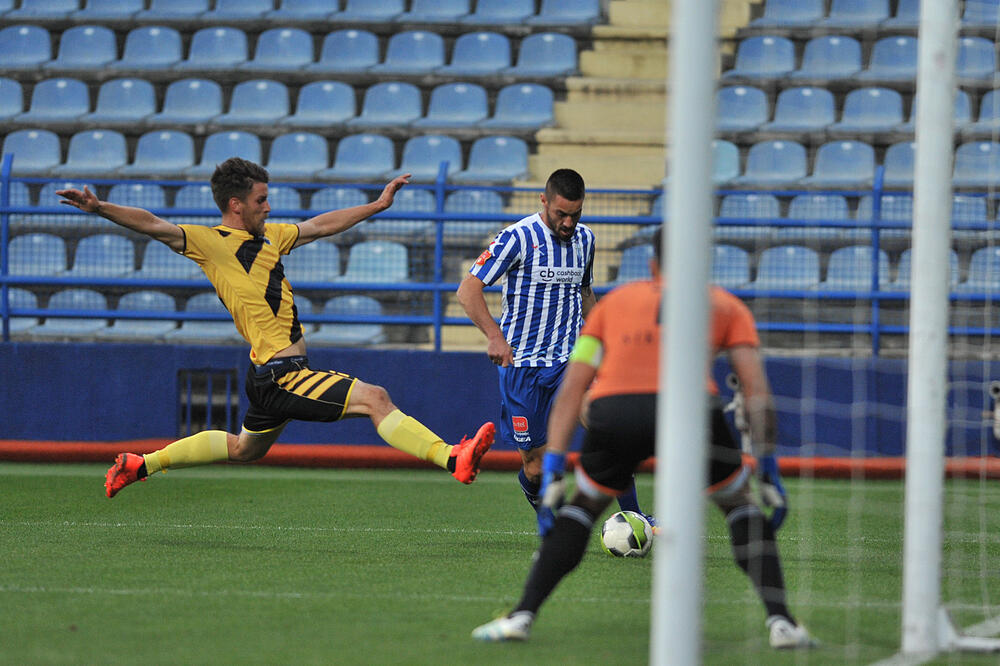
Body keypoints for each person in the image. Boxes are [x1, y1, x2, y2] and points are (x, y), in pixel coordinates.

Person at [56, 158, 494, 498]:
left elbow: (321, 225)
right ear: (236, 204)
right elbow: (154, 225)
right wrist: (100, 208)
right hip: (282, 375)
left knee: (244, 449)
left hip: (271, 373)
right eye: (261, 200)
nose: (269, 206)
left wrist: (378, 205)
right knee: (375, 398)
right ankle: (451, 457)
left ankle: (139, 465)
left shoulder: (270, 238)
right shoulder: (210, 243)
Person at [471, 228, 815, 649]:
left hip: (619, 412)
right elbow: (756, 393)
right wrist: (766, 465)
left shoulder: (615, 305)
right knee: (740, 506)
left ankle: (520, 617)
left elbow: (573, 391)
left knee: (581, 510)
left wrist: (557, 466)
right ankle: (782, 624)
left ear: (652, 266)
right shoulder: (725, 306)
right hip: (691, 410)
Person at [456, 168, 650, 523]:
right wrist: (495, 336)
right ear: (544, 201)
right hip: (522, 368)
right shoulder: (516, 238)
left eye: (575, 214)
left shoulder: (586, 240)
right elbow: (468, 290)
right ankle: (547, 511)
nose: (568, 222)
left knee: (609, 431)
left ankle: (636, 518)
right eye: (561, 214)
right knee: (534, 464)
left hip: (570, 361)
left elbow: (586, 292)